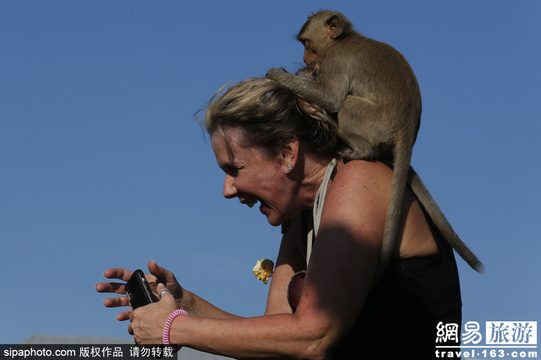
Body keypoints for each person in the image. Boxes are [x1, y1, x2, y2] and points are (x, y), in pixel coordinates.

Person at [96, 77, 462, 359]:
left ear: (288, 152)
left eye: (234, 168)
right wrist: (186, 306)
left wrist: (175, 329)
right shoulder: (301, 218)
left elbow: (314, 336)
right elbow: (278, 339)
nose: (227, 189)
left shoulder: (359, 180)